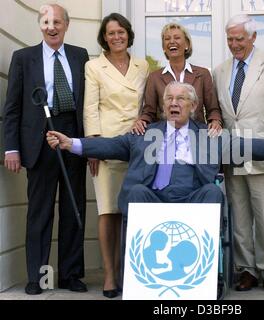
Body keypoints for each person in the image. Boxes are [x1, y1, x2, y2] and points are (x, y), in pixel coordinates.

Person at [47, 82, 264, 217]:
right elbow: (112, 144)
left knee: (212, 191)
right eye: (169, 99)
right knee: (137, 191)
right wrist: (71, 143)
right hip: (154, 198)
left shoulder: (208, 135)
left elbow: (241, 145)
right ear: (163, 106)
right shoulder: (146, 133)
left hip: (192, 198)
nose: (174, 103)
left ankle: (204, 274)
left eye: (181, 99)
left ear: (193, 106)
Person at [2, 4, 89, 295]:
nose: (51, 27)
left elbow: (87, 105)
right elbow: (12, 108)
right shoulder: (23, 58)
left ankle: (70, 274)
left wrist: (89, 145)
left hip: (72, 138)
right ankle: (38, 277)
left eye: (57, 22)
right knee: (39, 213)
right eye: (46, 22)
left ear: (66, 25)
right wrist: (11, 148)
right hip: (38, 143)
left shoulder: (80, 56)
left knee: (73, 208)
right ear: (40, 25)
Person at [213, 14, 264, 293]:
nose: (234, 44)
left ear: (253, 37)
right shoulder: (220, 70)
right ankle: (246, 270)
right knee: (240, 217)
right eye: (230, 39)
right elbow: (221, 118)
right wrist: (220, 156)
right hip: (234, 156)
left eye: (239, 39)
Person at [83, 13, 149, 298]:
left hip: (137, 147)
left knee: (133, 210)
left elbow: (149, 104)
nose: (117, 37)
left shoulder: (143, 65)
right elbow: (90, 108)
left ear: (128, 34)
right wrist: (93, 147)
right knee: (108, 211)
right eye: (111, 33)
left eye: (121, 32)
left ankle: (131, 273)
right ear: (104, 37)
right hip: (108, 147)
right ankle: (110, 275)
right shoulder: (93, 66)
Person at [132, 22, 222, 135]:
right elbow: (149, 111)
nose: (171, 41)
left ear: (187, 45)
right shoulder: (154, 77)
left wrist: (215, 121)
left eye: (177, 37)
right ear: (164, 47)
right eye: (167, 39)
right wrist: (142, 121)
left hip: (197, 136)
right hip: (165, 137)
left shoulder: (203, 74)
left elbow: (213, 109)